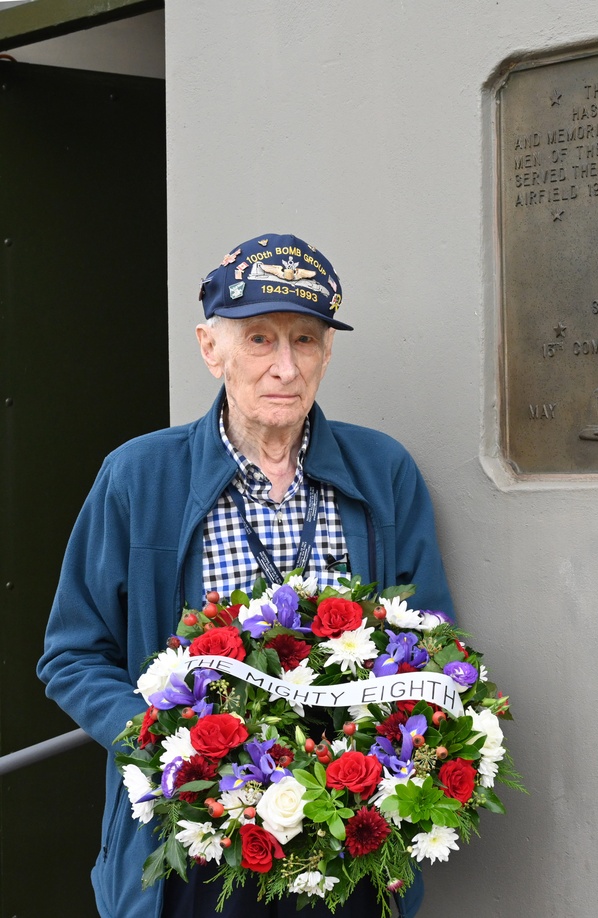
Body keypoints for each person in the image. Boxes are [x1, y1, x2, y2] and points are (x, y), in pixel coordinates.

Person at [37, 233, 453, 918]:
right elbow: (72, 654)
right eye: (259, 339)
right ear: (211, 349)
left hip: (345, 838)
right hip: (190, 853)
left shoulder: (385, 473)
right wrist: (168, 748)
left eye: (305, 340)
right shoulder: (139, 477)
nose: (285, 367)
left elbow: (432, 643)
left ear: (326, 353)